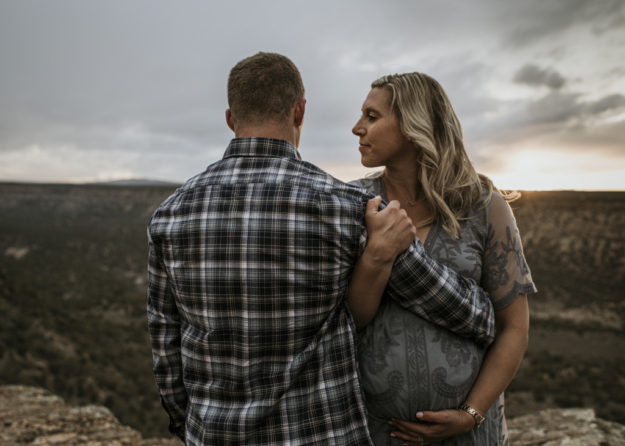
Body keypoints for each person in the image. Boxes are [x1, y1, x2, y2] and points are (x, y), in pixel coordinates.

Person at [147, 52, 497, 446]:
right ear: (299, 112)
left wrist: (188, 425)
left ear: (231, 119)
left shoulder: (169, 216)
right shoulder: (348, 208)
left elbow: (166, 350)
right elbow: (468, 312)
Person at [349, 72, 537, 445]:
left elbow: (514, 327)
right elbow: (351, 320)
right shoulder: (355, 205)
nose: (357, 128)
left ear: (413, 124)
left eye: (372, 117)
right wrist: (377, 257)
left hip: (469, 435)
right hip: (377, 432)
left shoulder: (485, 206)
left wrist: (470, 415)